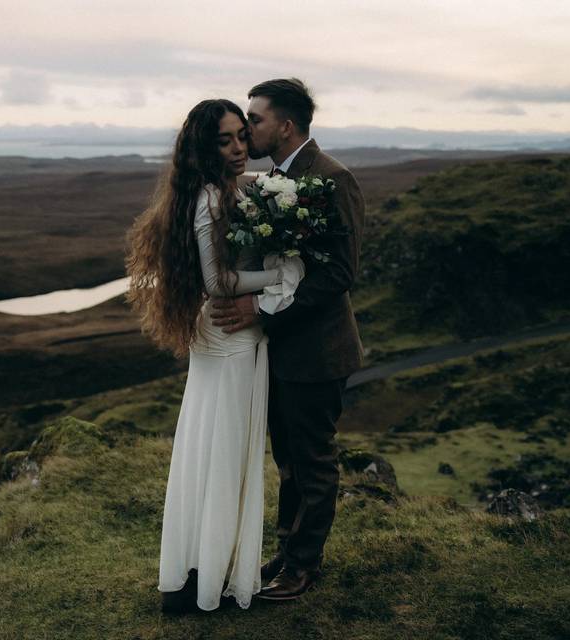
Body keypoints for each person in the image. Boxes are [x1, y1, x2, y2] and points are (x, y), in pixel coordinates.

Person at [125, 99, 302, 612]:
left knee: (208, 448)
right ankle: (209, 580)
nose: (238, 148)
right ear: (204, 148)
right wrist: (282, 274)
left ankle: (199, 570)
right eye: (225, 140)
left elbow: (257, 190)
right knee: (225, 454)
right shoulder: (210, 200)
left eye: (242, 136)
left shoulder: (226, 190)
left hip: (220, 337)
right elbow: (218, 282)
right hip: (229, 336)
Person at [210, 78, 365, 601]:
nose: (248, 127)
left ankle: (303, 567)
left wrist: (262, 310)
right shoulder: (273, 177)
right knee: (289, 461)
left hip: (318, 350)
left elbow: (337, 275)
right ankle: (289, 549)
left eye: (255, 119)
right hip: (281, 352)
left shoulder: (332, 179)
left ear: (286, 125)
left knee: (313, 460)